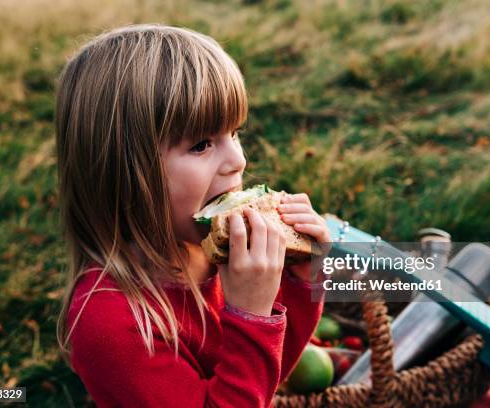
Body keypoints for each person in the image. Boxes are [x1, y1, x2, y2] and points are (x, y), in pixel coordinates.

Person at [54, 24, 329, 407]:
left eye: (234, 133)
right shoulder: (111, 325)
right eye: (201, 145)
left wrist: (301, 281)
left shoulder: (210, 254)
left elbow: (265, 378)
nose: (239, 160)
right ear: (125, 174)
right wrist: (250, 314)